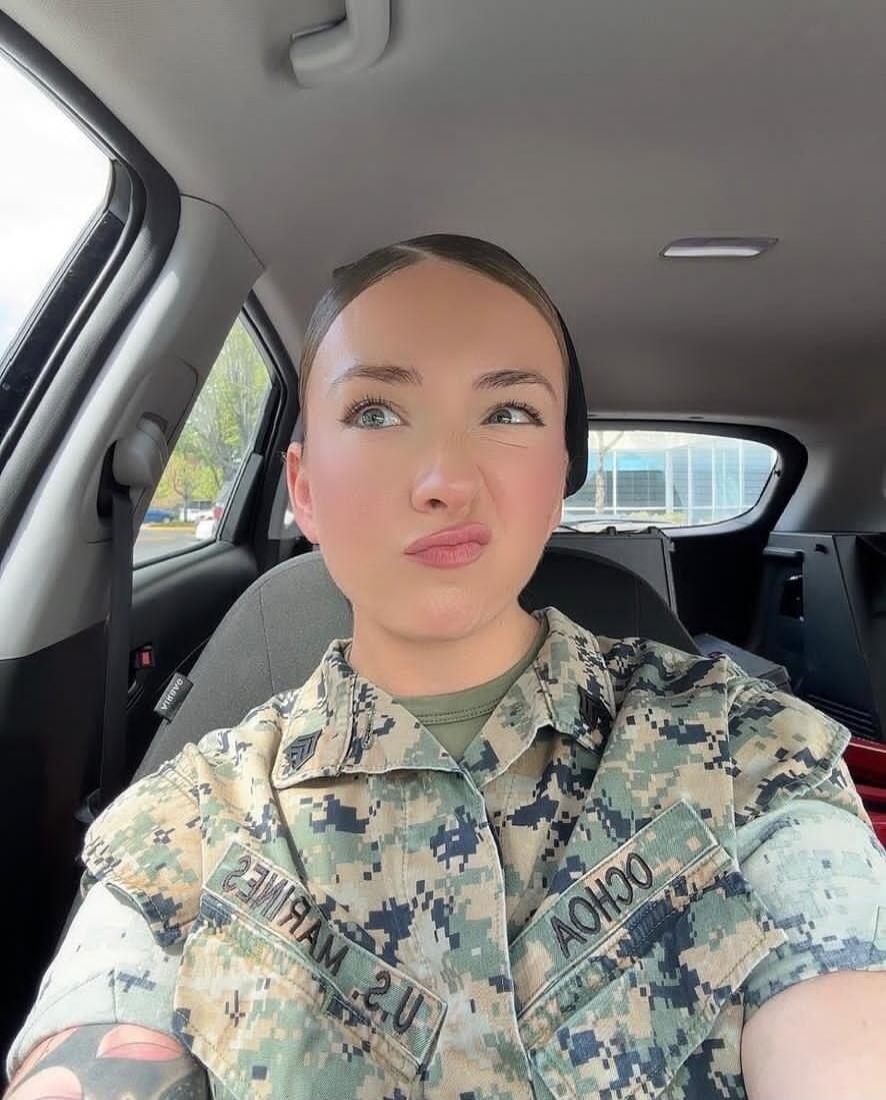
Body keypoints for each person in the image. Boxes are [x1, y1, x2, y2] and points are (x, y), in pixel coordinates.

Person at [5, 233, 886, 1100]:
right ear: (304, 489)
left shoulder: (746, 752)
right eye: (377, 412)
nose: (443, 480)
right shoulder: (189, 821)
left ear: (558, 477)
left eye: (507, 413)